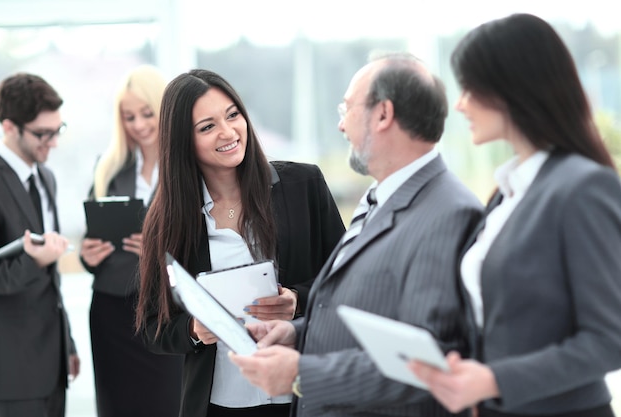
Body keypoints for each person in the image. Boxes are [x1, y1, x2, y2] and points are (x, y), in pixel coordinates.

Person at [229, 52, 484, 417]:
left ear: (383, 114)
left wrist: (303, 373)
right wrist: (299, 335)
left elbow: (427, 363)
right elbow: (371, 315)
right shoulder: (380, 196)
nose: (341, 125)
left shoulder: (448, 213)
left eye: (346, 109)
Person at [410, 13, 621, 417]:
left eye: (470, 87)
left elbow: (609, 339)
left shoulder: (583, 187)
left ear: (511, 88)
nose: (460, 103)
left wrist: (493, 380)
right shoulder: (508, 191)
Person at [134, 68, 346, 417]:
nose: (228, 132)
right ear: (182, 141)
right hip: (221, 403)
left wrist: (297, 301)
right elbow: (152, 326)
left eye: (233, 115)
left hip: (301, 396)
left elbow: (348, 281)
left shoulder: (303, 185)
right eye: (207, 127)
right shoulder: (168, 219)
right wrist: (194, 329)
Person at [79, 65, 183, 417]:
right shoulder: (106, 167)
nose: (138, 124)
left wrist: (159, 252)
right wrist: (87, 255)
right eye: (129, 117)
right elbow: (90, 237)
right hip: (110, 308)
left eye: (146, 113)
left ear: (163, 109)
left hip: (163, 309)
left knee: (168, 404)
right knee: (116, 406)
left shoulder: (186, 168)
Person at [0, 73, 80, 417]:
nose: (54, 142)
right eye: (43, 134)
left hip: (52, 361)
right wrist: (36, 261)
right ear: (9, 127)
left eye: (58, 130)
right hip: (13, 365)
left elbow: (52, 281)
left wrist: (67, 344)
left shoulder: (46, 177)